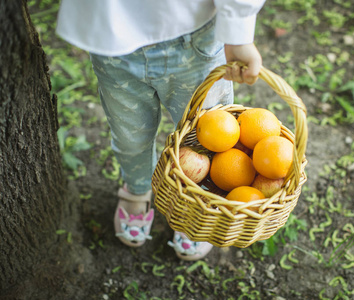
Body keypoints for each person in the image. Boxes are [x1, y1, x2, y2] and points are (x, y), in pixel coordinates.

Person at [56, 0, 265, 261]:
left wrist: (238, 26)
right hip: (114, 40)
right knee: (130, 137)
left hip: (191, 33)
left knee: (213, 138)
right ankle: (136, 188)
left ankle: (198, 203)